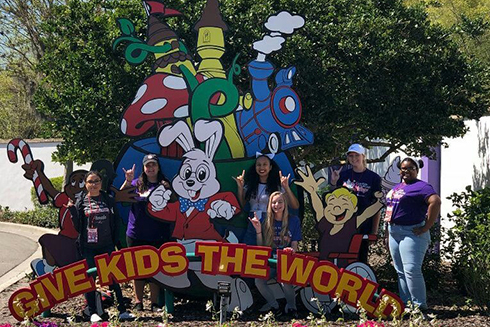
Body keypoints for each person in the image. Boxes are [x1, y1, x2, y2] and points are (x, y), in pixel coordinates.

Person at [69, 171, 134, 323]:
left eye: (97, 181)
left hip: (107, 245)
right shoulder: (81, 202)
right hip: (88, 247)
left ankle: (122, 311)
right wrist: (72, 210)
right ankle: (92, 312)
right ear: (86, 184)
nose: (94, 184)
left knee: (113, 277)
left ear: (101, 183)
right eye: (91, 181)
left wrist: (115, 242)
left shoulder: (108, 199)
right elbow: (77, 226)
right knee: (90, 279)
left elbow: (116, 221)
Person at [384, 158, 441, 311]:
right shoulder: (398, 187)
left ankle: (419, 306)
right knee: (400, 271)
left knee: (411, 270)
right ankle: (406, 304)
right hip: (394, 231)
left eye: (410, 168)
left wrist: (427, 226)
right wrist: (387, 232)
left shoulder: (422, 187)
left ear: (417, 170)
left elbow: (435, 201)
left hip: (411, 232)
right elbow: (390, 210)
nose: (406, 171)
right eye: (403, 168)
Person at [120, 153, 173, 312]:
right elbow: (121, 197)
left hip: (158, 233)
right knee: (138, 269)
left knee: (155, 269)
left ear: (158, 167)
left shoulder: (165, 185)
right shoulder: (136, 184)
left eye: (153, 165)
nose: (150, 168)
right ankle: (138, 301)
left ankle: (155, 302)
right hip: (136, 233)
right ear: (144, 168)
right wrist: (128, 180)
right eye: (147, 165)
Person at [249, 191, 302, 318]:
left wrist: (291, 251)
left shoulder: (294, 221)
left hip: (285, 260)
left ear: (285, 204)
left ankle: (291, 308)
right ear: (270, 205)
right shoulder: (265, 221)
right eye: (273, 202)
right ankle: (274, 306)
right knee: (259, 281)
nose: (276, 205)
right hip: (271, 261)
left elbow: (294, 245)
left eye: (280, 202)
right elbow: (261, 246)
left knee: (285, 280)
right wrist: (258, 231)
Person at [330, 143, 382, 263]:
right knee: (343, 257)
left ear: (363, 156)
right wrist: (333, 182)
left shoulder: (374, 178)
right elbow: (333, 199)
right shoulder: (343, 175)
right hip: (344, 223)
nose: (354, 158)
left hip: (364, 225)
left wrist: (374, 231)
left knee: (360, 258)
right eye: (351, 156)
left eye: (356, 155)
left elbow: (377, 205)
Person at [235, 153, 299, 221]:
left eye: (265, 164)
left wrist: (286, 188)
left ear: (270, 167)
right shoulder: (250, 185)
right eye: (259, 165)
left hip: (270, 222)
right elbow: (241, 205)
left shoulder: (277, 186)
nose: (261, 167)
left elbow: (295, 206)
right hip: (253, 221)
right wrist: (240, 188)